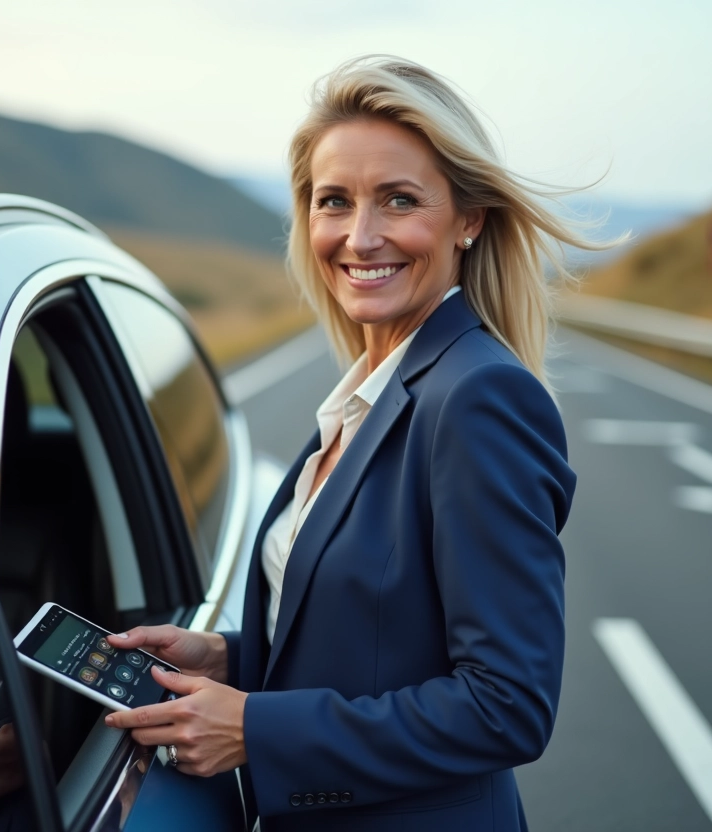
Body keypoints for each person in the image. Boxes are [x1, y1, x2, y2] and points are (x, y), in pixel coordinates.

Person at [106, 54, 601, 831]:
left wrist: (256, 729)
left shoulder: (478, 397)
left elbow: (508, 705)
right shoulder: (373, 393)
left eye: (398, 201)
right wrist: (237, 659)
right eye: (334, 201)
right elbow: (384, 634)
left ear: (468, 218)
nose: (360, 237)